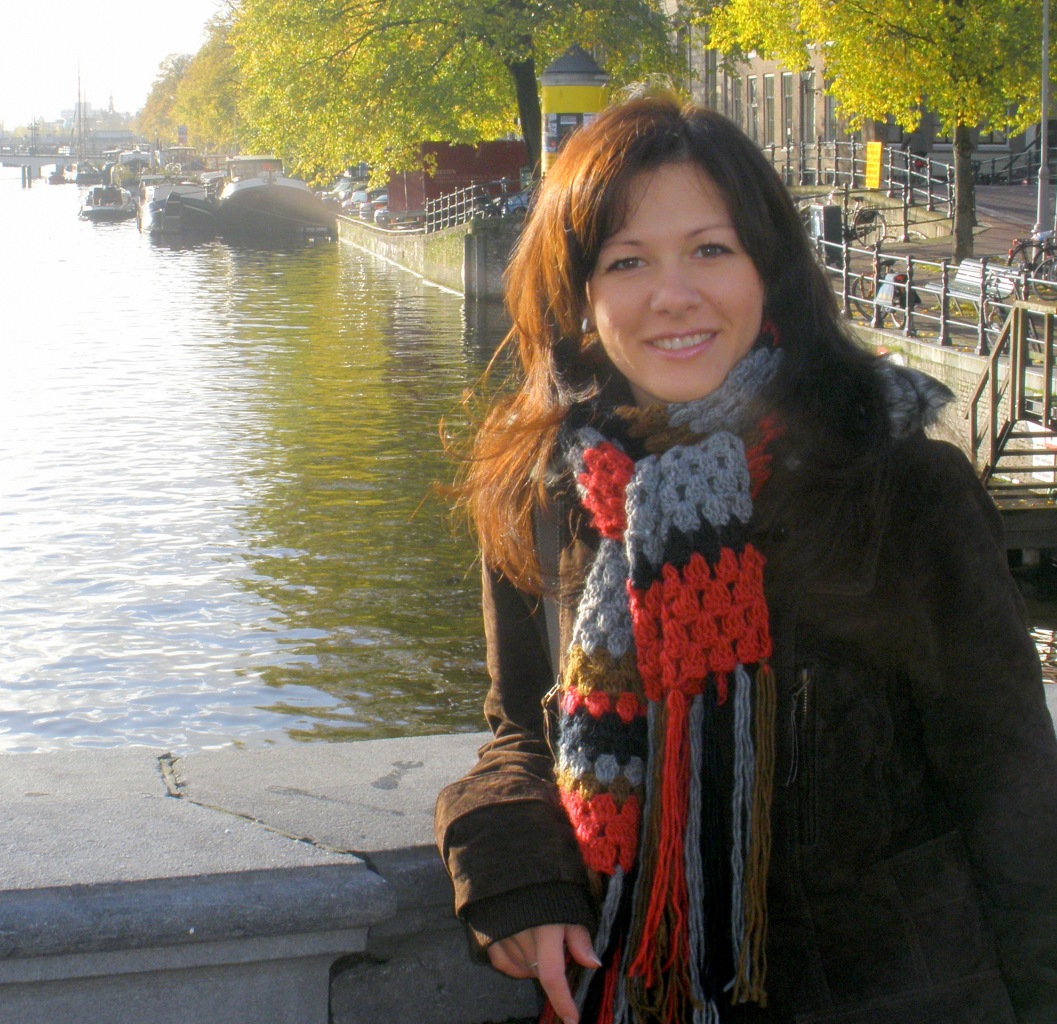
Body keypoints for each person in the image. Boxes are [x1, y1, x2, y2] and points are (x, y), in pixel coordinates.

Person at [434, 91, 1057, 1024]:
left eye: (710, 250)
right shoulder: (548, 494)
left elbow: (1011, 792)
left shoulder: (900, 488)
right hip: (634, 994)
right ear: (579, 294)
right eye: (627, 261)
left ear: (769, 269)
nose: (673, 294)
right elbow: (521, 731)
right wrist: (511, 875)